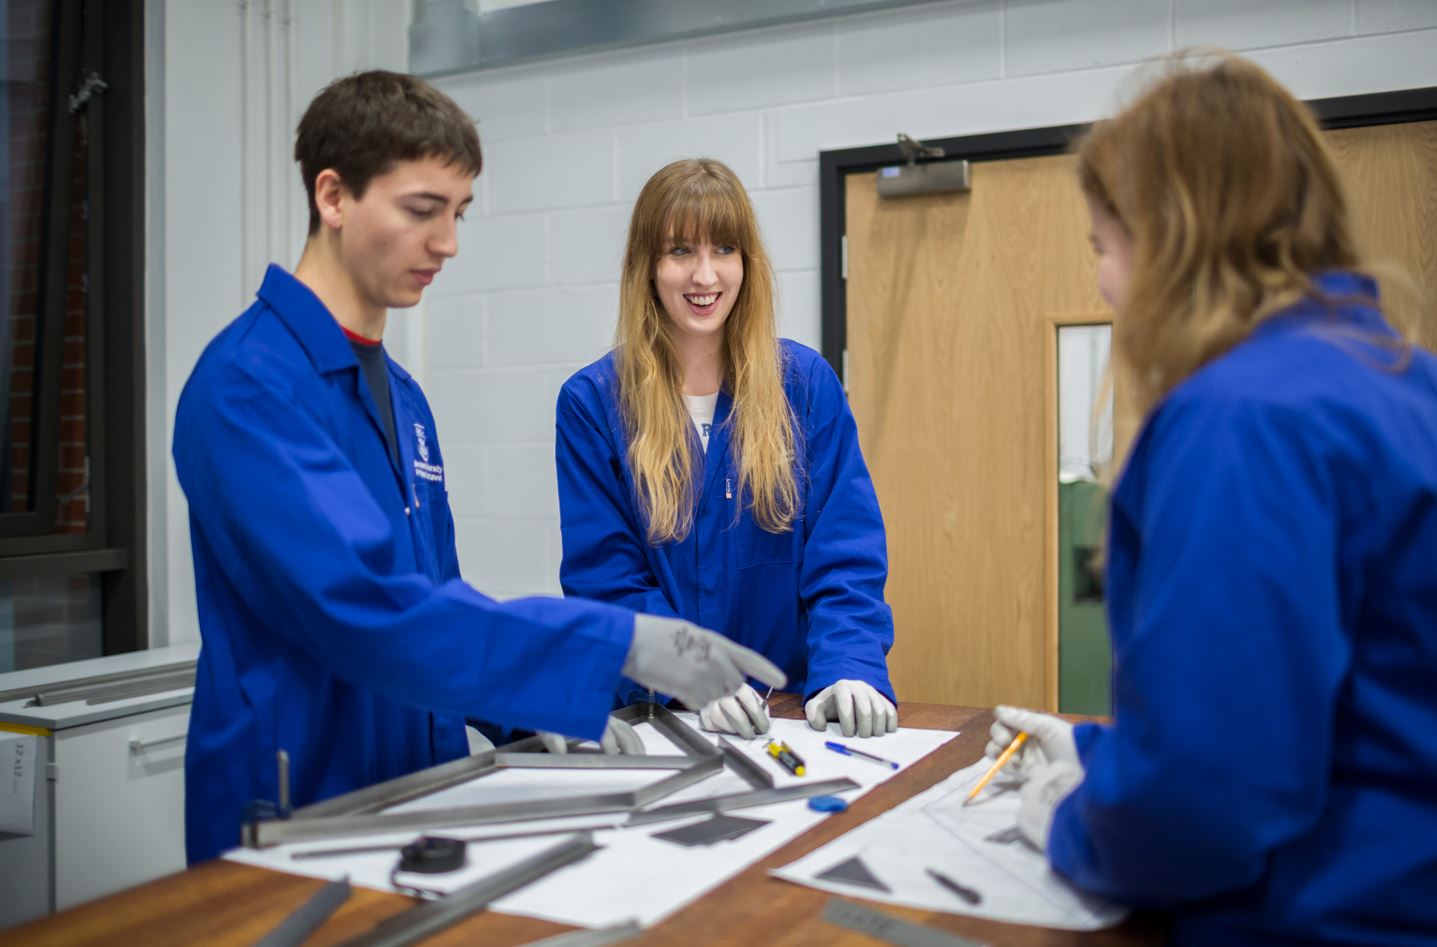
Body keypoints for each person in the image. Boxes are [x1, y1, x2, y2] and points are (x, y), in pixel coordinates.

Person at [172, 72, 782, 864]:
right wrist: (610, 644)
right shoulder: (248, 388)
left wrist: (526, 719)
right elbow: (369, 612)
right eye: (423, 211)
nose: (449, 243)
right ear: (333, 197)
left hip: (410, 792)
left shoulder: (405, 399)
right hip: (293, 805)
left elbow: (437, 600)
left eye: (457, 214)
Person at [982, 54, 1437, 945]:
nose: (1105, 286)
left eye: (1102, 247)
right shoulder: (1404, 383)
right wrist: (1101, 757)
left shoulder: (1239, 420)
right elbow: (1350, 707)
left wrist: (1072, 822)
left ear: (1169, 237)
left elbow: (1209, 797)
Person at [555, 158, 896, 740]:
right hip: (659, 721)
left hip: (790, 718)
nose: (705, 275)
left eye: (725, 250)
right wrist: (694, 675)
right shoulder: (593, 404)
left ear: (748, 263)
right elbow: (607, 581)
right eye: (680, 251)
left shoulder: (804, 386)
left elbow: (844, 554)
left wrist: (850, 666)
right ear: (647, 267)